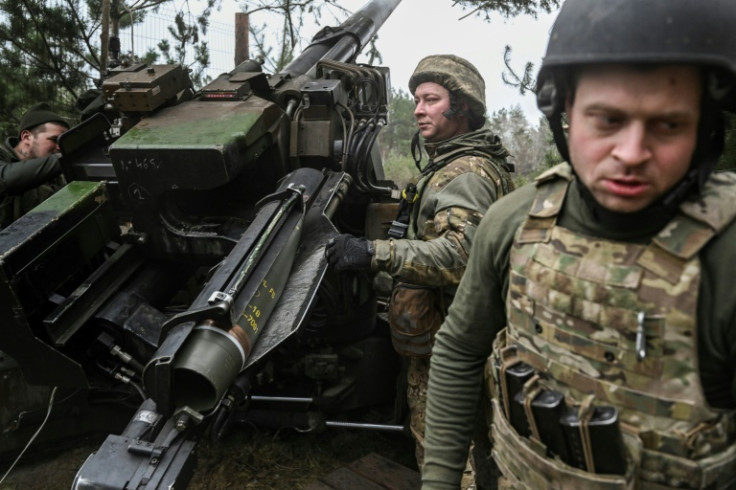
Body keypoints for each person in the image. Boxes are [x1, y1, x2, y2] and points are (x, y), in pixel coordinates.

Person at [421, 0, 736, 488]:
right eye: (607, 120)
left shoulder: (726, 258)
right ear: (564, 111)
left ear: (705, 128)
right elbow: (459, 351)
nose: (631, 154)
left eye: (668, 125)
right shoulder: (512, 223)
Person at [325, 54, 514, 482]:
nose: (418, 109)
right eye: (416, 99)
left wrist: (373, 254)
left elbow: (459, 255)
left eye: (431, 99)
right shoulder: (450, 166)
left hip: (453, 342)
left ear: (461, 108)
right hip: (447, 335)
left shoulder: (466, 174)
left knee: (450, 460)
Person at [0, 103, 69, 228]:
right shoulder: (2, 157)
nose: (60, 147)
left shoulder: (53, 173)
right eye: (54, 140)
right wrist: (70, 156)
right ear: (27, 137)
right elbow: (6, 179)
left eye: (63, 142)